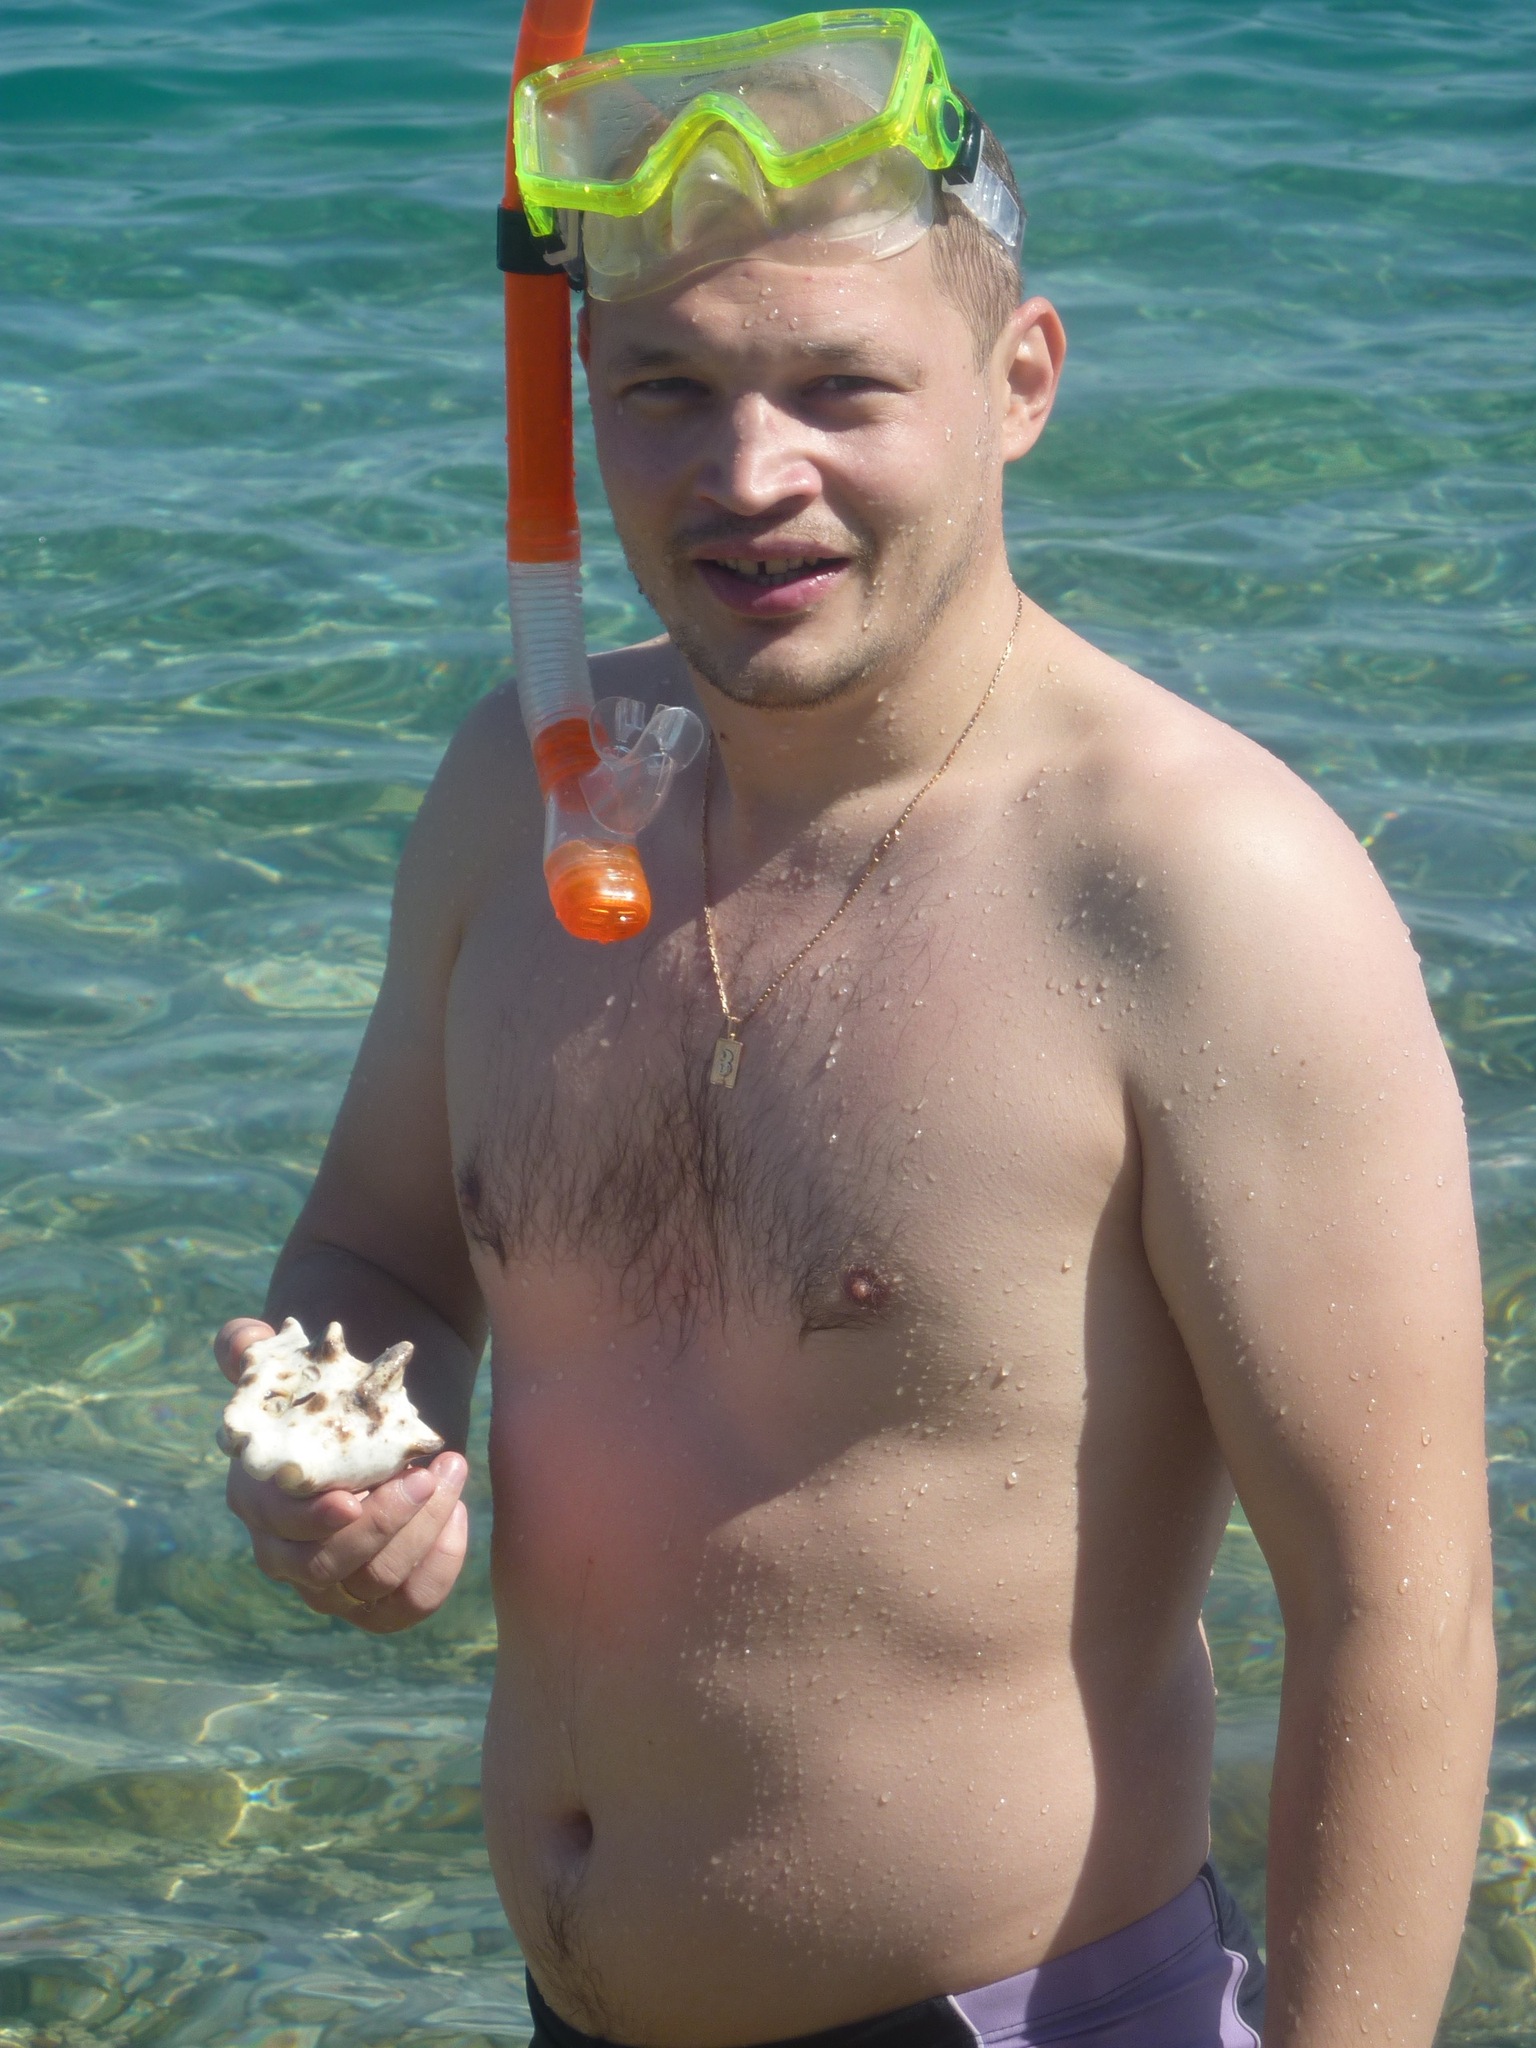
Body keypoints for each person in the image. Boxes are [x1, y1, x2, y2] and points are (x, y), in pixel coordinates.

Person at [216, 13, 1495, 2046]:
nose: (749, 478)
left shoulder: (1196, 883)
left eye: (841, 390)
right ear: (580, 402)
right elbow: (376, 1250)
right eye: (668, 390)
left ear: (1021, 381)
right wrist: (341, 1455)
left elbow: (1397, 1620)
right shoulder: (524, 790)